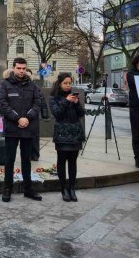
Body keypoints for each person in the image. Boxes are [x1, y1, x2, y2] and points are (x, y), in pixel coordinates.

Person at [0, 57, 43, 202]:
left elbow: (37, 103)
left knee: (26, 160)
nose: (22, 71)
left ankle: (28, 189)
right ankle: (7, 189)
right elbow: (3, 103)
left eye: (24, 68)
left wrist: (27, 118)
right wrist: (18, 118)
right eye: (19, 68)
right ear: (13, 68)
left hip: (28, 128)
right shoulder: (4, 84)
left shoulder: (33, 85)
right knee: (9, 159)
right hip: (12, 128)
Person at [50, 73, 85, 202]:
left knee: (72, 162)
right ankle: (63, 188)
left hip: (75, 133)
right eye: (65, 83)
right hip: (62, 134)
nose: (68, 85)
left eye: (69, 83)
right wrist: (66, 101)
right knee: (61, 161)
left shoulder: (74, 95)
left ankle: (72, 188)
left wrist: (76, 103)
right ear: (60, 83)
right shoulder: (54, 97)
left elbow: (81, 114)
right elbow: (57, 114)